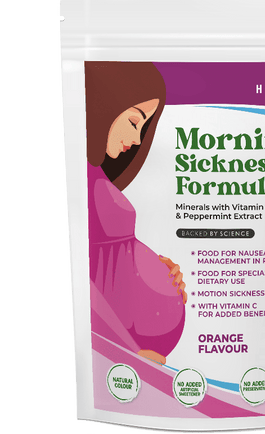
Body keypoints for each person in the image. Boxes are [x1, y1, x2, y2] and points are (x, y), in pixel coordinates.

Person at [85, 62, 186, 366]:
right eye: (133, 121)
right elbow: (87, 282)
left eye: (145, 126)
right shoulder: (82, 175)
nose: (138, 138)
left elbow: (114, 260)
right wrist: (125, 348)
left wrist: (159, 275)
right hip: (128, 351)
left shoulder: (101, 177)